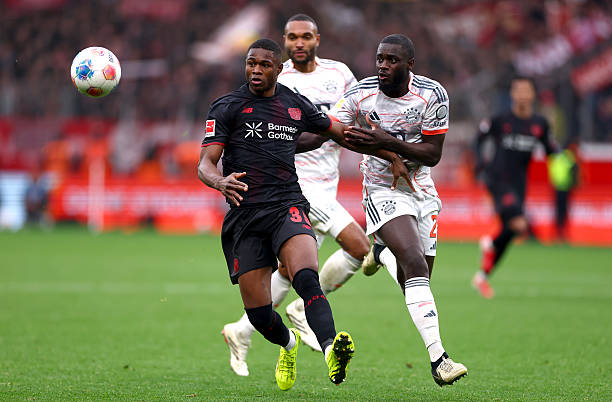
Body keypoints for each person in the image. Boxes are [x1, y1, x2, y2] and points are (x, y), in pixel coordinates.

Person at [197, 38, 413, 390]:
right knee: (260, 315)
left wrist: (390, 155)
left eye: (264, 65)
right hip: (245, 217)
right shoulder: (227, 107)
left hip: (288, 206)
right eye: (251, 63)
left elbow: (341, 133)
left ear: (278, 69)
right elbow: (205, 164)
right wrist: (220, 181)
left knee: (306, 278)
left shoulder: (294, 104)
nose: (255, 70)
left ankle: (330, 350)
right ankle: (289, 343)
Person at [220, 14, 370, 377]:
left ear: (317, 39)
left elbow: (355, 116)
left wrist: (381, 147)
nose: (298, 43)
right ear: (284, 42)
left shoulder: (339, 74)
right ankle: (302, 314)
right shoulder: (275, 77)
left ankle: (243, 330)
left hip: (324, 183)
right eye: (291, 37)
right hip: (295, 186)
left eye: (305, 36)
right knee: (359, 246)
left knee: (293, 271)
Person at [333, 34, 468, 387]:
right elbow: (335, 129)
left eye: (392, 60)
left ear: (409, 65)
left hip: (421, 188)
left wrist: (386, 141)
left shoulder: (432, 95)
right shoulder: (360, 94)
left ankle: (380, 252)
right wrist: (388, 154)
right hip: (381, 189)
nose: (383, 65)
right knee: (414, 264)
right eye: (380, 58)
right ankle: (439, 360)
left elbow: (433, 154)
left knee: (417, 281)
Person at [471, 77, 558, 298]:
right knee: (519, 224)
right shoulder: (501, 120)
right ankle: (490, 244)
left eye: (526, 91)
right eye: (518, 90)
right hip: (497, 179)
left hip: (519, 184)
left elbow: (550, 149)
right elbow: (478, 139)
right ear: (512, 94)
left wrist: (564, 158)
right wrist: (480, 163)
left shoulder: (539, 124)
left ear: (532, 95)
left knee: (511, 231)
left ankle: (483, 275)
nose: (522, 95)